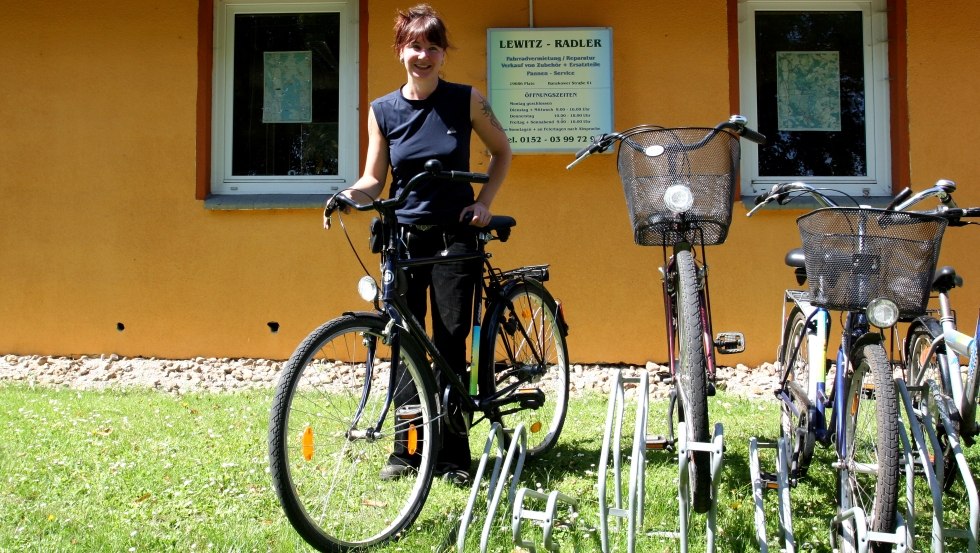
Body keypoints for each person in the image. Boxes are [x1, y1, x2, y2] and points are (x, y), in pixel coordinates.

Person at [324, 4, 511, 485]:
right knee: (403, 342)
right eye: (414, 45)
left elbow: (501, 151)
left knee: (450, 344)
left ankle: (452, 455)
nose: (423, 55)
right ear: (400, 51)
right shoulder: (382, 111)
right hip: (403, 240)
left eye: (432, 46)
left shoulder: (465, 100)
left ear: (444, 53)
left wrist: (484, 202)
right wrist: (347, 196)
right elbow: (373, 177)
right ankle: (408, 451)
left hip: (455, 238)